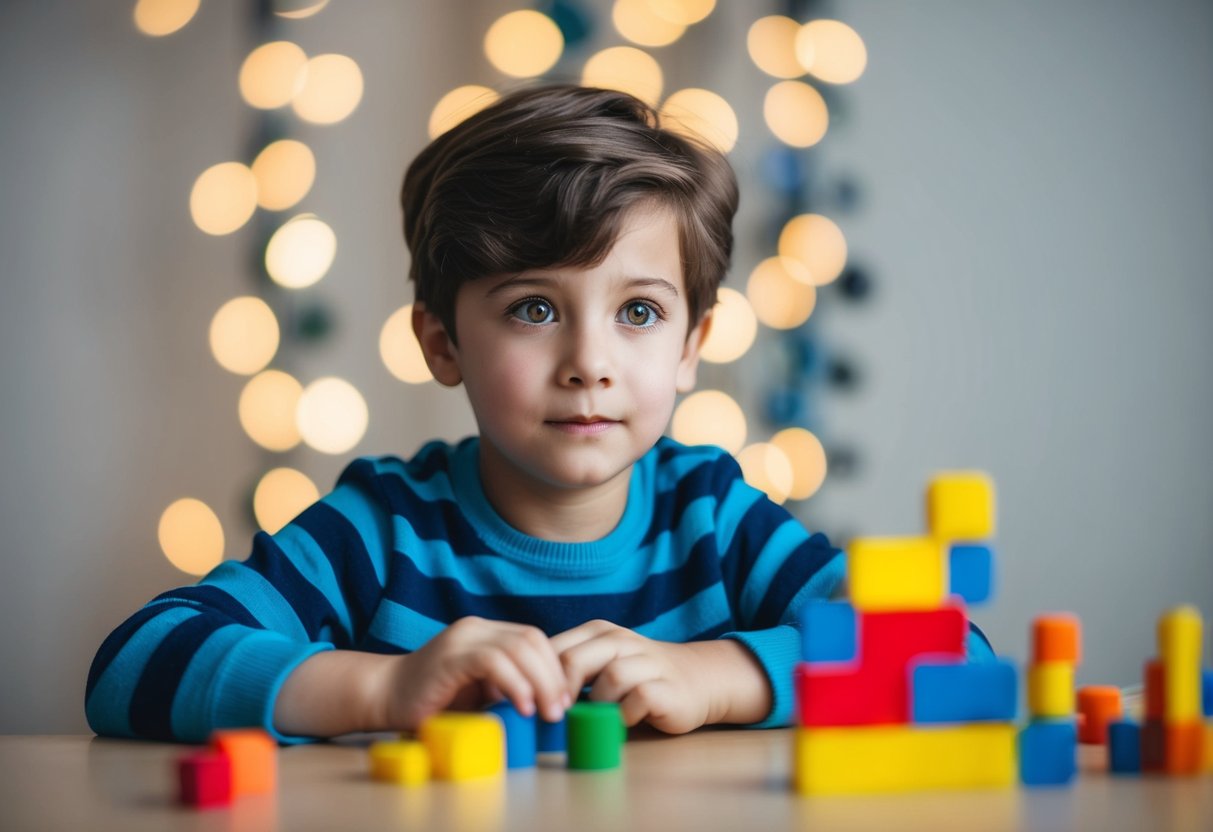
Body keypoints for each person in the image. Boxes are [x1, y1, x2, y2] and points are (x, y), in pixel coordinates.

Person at [86, 84, 991, 745]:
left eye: (637, 313)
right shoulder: (382, 531)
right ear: (442, 343)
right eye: (533, 308)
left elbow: (951, 652)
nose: (589, 364)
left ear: (689, 346)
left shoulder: (714, 519)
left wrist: (719, 677)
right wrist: (387, 689)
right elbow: (133, 664)